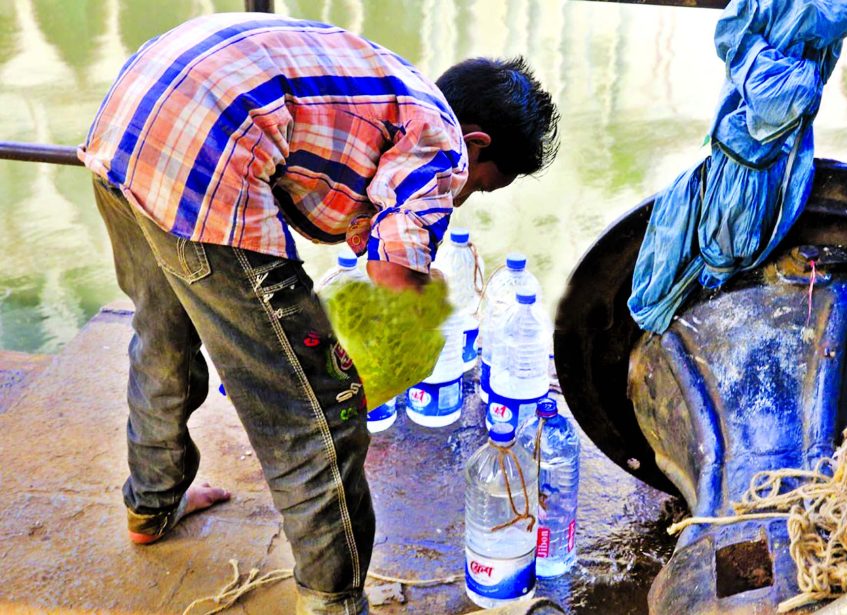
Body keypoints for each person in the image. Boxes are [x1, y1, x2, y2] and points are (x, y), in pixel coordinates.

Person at [79, 11, 559, 615]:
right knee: (316, 415)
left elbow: (346, 194)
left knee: (162, 333)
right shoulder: (445, 139)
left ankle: (150, 503)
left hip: (132, 120)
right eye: (479, 186)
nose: (461, 194)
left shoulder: (395, 85)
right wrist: (422, 305)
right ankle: (334, 602)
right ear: (479, 142)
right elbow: (393, 278)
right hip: (209, 159)